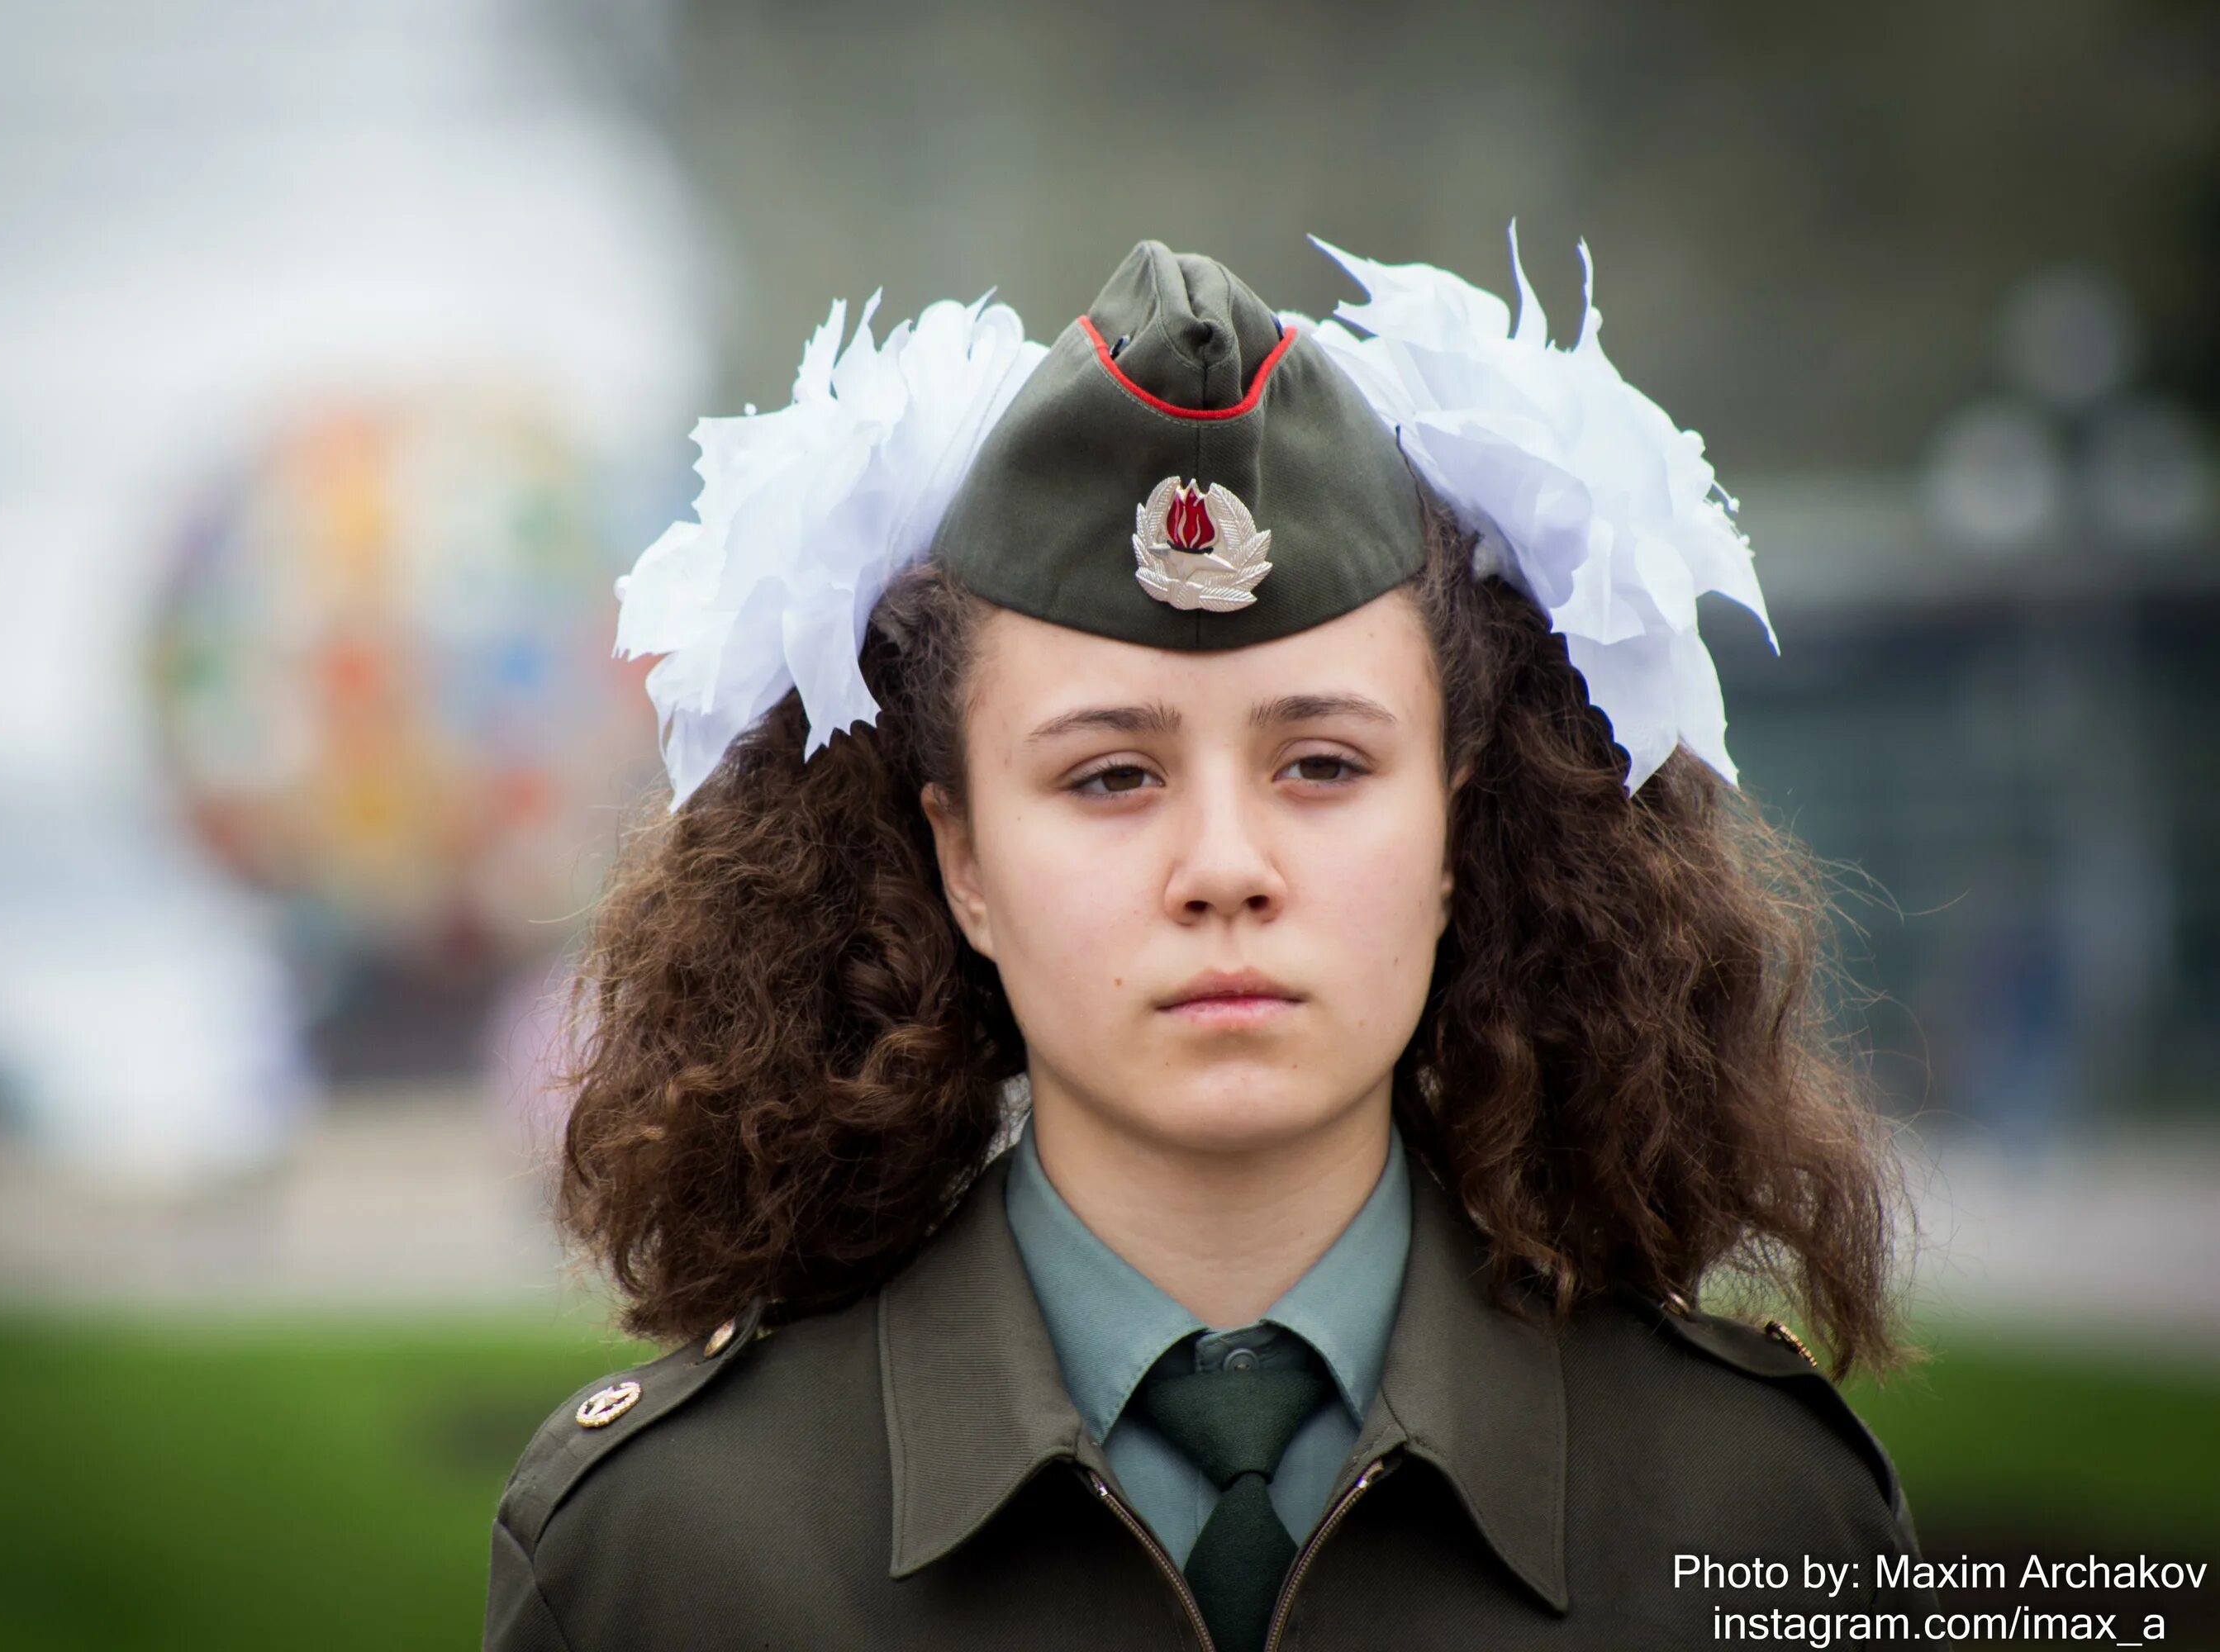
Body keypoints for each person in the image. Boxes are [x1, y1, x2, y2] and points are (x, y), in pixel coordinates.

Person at [483, 233, 1937, 1650]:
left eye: (1322, 765)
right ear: (963, 858)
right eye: (1111, 775)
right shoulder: (657, 1560)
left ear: (1455, 830)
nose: (1226, 871)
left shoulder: (1768, 1515)